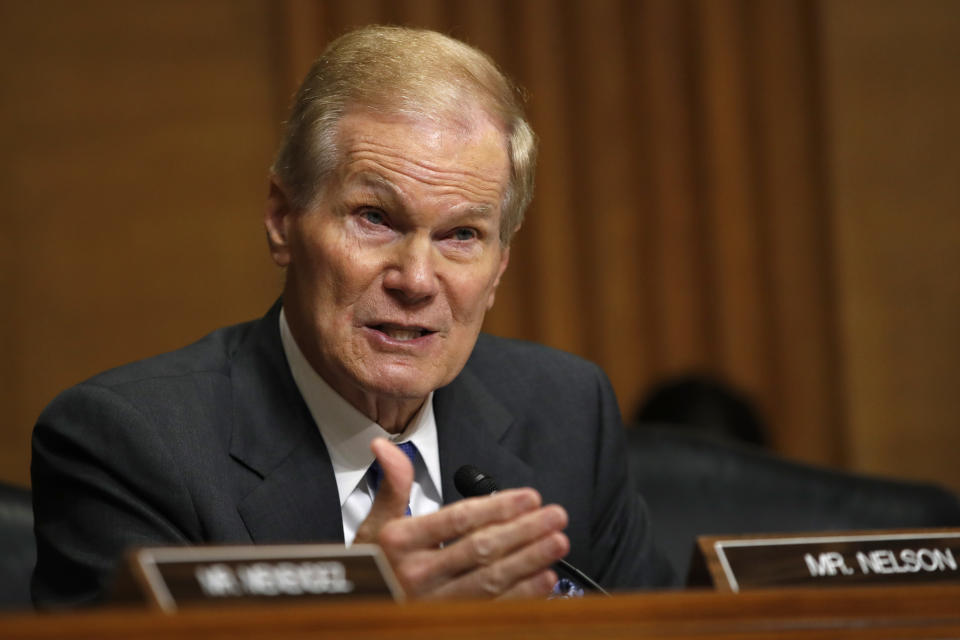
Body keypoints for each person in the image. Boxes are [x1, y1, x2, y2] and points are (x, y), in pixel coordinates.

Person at [31, 25, 672, 608]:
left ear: (501, 264)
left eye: (462, 235)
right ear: (283, 219)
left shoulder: (565, 411)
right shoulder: (132, 445)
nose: (417, 280)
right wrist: (360, 616)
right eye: (374, 218)